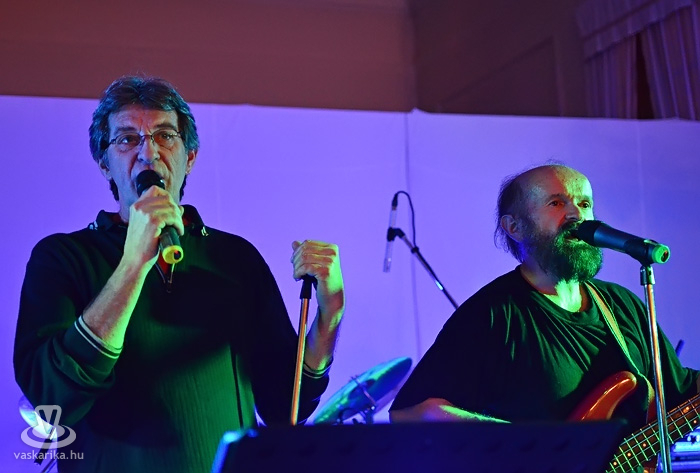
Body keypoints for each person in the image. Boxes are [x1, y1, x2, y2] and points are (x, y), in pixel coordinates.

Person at [13, 76, 345, 473]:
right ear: (104, 164)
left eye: (165, 136)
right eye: (127, 139)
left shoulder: (235, 258)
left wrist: (330, 316)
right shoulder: (62, 257)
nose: (148, 152)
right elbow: (49, 399)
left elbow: (285, 408)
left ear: (189, 158)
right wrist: (133, 264)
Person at [389, 164, 699, 462]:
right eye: (556, 203)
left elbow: (679, 392)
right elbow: (411, 413)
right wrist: (528, 446)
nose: (576, 214)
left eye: (584, 203)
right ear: (514, 227)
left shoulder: (624, 307)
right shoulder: (493, 314)